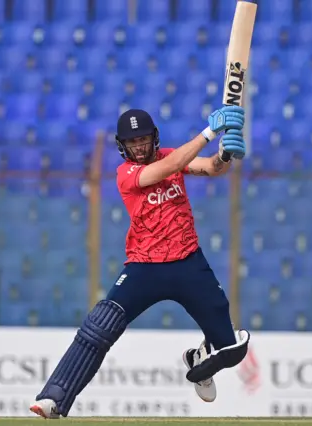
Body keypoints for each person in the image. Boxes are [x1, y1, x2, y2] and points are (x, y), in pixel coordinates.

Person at [29, 106, 251, 419]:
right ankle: (54, 398)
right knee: (100, 326)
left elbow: (212, 168)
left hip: (188, 261)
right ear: (123, 146)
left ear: (154, 137)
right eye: (133, 142)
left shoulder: (172, 155)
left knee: (228, 346)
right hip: (144, 266)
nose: (140, 146)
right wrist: (209, 133)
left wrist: (225, 155)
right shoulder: (126, 174)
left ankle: (200, 362)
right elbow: (168, 167)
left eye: (144, 139)